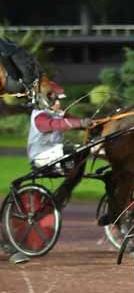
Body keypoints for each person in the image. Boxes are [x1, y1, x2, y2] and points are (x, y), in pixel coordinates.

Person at [3, 87, 91, 265]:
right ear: (45, 101)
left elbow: (69, 120)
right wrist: (80, 122)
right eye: (56, 100)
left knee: (83, 149)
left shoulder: (57, 114)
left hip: (55, 155)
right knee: (72, 149)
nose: (59, 103)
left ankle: (72, 175)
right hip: (41, 156)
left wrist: (92, 122)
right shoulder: (40, 117)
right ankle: (71, 171)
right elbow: (54, 125)